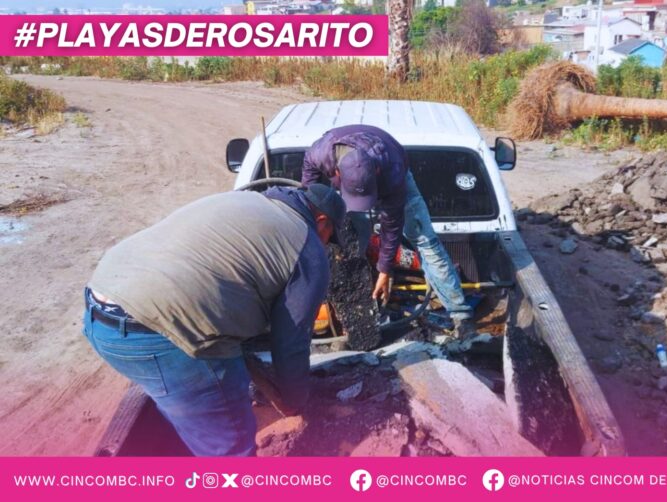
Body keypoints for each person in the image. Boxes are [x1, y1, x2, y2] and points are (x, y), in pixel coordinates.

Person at [83, 184, 345, 456]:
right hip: (163, 335)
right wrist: (295, 399)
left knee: (188, 415)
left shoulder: (246, 201)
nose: (325, 245)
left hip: (101, 308)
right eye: (329, 237)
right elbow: (291, 342)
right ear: (321, 220)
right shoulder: (308, 249)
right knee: (231, 450)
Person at [302, 124, 475, 336]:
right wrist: (311, 202)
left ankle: (460, 314)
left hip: (393, 175)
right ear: (337, 172)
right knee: (347, 240)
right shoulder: (323, 153)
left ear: (376, 172)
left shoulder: (393, 173)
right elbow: (309, 167)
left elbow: (391, 226)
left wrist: (384, 269)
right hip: (344, 175)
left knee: (425, 240)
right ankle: (351, 300)